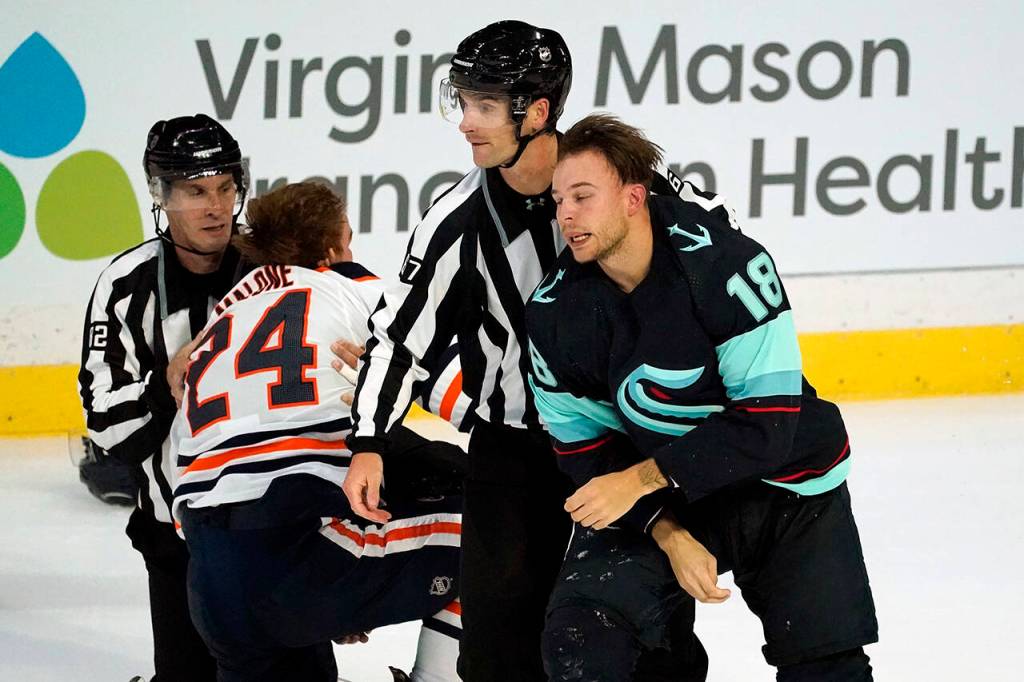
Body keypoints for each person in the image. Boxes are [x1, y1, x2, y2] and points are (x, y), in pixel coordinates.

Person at [342, 20, 708, 681]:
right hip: (513, 455)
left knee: (648, 640)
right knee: (497, 655)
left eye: (483, 106)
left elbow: (722, 259)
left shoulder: (631, 189)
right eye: (464, 103)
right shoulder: (457, 219)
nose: (466, 123)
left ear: (537, 112)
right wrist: (369, 439)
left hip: (621, 450)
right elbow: (403, 334)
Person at [526, 114, 879, 681]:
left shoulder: (725, 267)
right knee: (583, 636)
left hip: (785, 485)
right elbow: (581, 449)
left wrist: (640, 480)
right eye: (559, 199)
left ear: (633, 197)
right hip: (670, 497)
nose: (566, 214)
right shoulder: (555, 313)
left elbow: (768, 424)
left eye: (583, 196)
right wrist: (667, 531)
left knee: (826, 666)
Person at [171, 181, 466, 682]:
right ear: (331, 251)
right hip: (300, 560)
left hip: (209, 587)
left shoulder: (218, 323)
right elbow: (467, 392)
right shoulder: (351, 287)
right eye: (348, 241)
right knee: (501, 539)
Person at [77, 113, 247, 681]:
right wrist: (168, 388)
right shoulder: (125, 287)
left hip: (269, 529)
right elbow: (106, 425)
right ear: (161, 195)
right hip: (173, 536)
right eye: (197, 191)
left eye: (225, 187)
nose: (215, 206)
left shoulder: (270, 270)